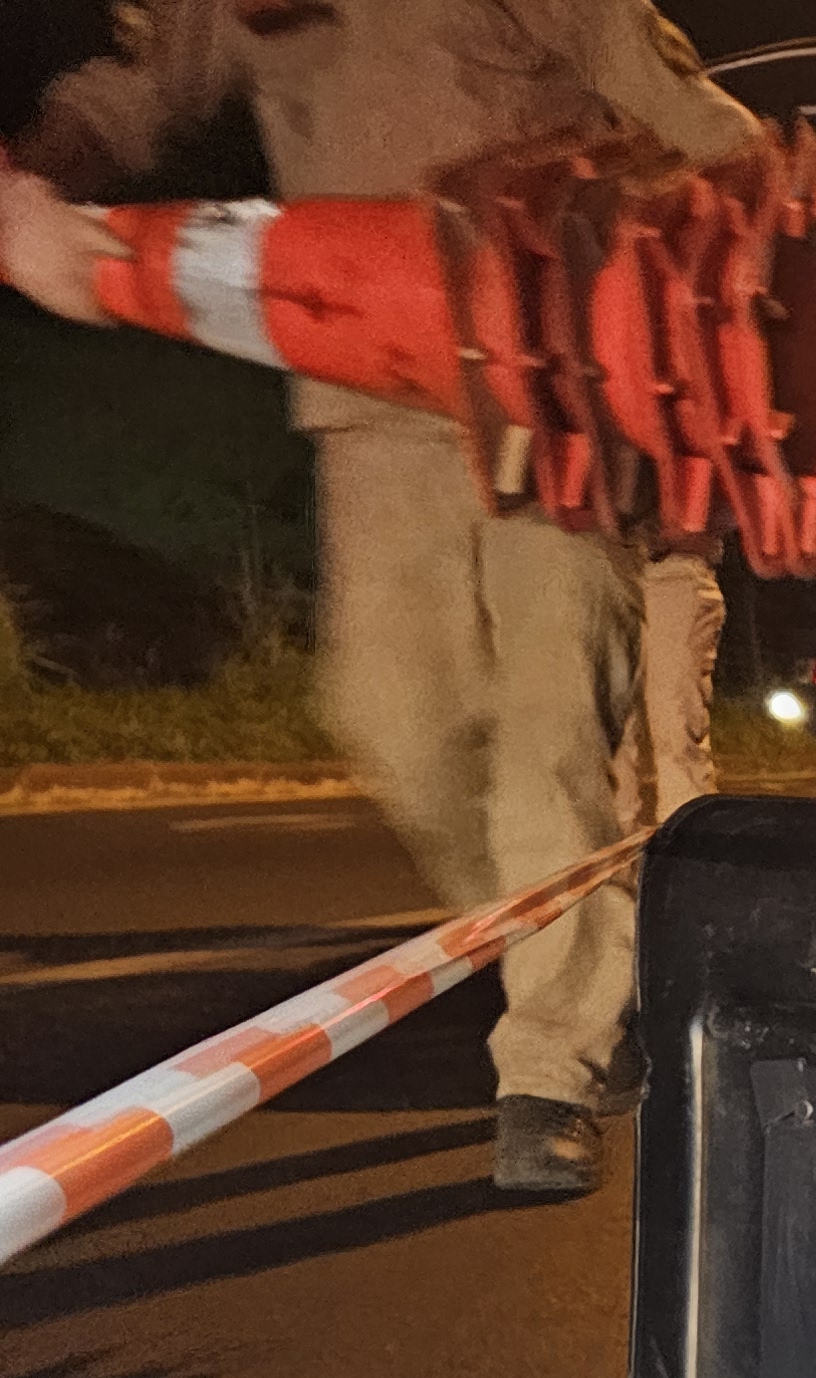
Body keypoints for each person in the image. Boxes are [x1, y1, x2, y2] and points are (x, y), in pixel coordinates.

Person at [1, 2, 764, 1198]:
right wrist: (32, 182)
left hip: (553, 401)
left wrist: (757, 273)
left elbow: (702, 129)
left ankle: (554, 1066)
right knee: (393, 722)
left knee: (552, 743)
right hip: (367, 402)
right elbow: (132, 100)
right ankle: (562, 953)